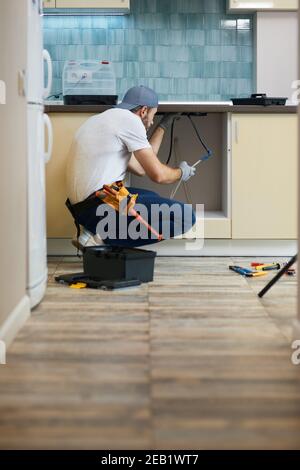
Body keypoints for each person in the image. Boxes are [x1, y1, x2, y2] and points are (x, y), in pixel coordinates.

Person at [66, 85, 196, 249]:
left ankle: (91, 230)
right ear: (143, 111)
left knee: (152, 196)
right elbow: (158, 175)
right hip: (100, 205)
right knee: (185, 216)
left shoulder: (104, 120)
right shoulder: (130, 121)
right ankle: (101, 239)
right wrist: (181, 172)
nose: (152, 121)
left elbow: (141, 168)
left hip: (83, 208)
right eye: (153, 115)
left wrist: (163, 125)